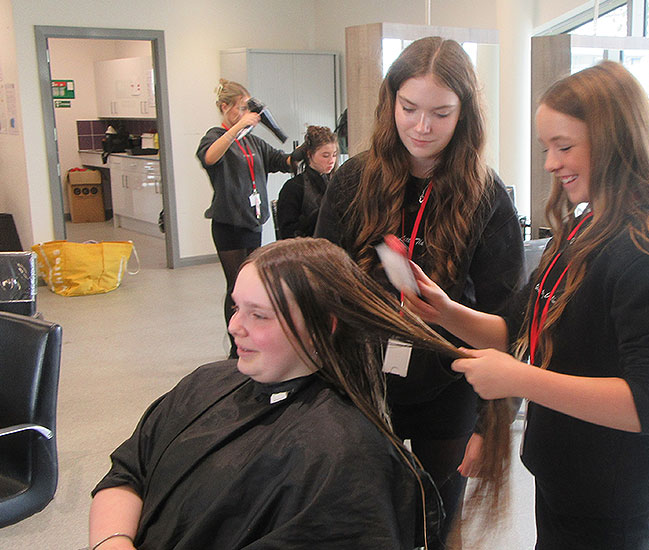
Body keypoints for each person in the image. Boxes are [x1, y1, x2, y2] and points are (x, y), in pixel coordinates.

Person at [404, 61, 649, 549]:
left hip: (610, 496)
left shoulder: (647, 253)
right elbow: (518, 328)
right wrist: (446, 312)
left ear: (613, 142)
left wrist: (519, 379)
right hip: (565, 476)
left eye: (563, 147)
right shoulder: (583, 229)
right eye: (547, 148)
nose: (550, 163)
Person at [88, 237, 468, 550]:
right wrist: (112, 542)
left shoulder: (345, 455)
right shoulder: (205, 382)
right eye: (237, 307)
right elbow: (127, 473)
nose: (234, 326)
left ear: (324, 326)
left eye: (259, 315)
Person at [315, 36, 524, 543]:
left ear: (464, 113)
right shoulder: (353, 180)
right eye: (409, 108)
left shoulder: (488, 197)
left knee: (438, 520)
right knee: (363, 519)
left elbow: (510, 328)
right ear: (390, 101)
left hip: (449, 387)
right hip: (361, 381)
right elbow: (318, 284)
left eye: (441, 113)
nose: (422, 127)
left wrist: (488, 428)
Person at [196, 78, 302, 358]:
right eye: (241, 107)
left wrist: (300, 154)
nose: (247, 113)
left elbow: (282, 161)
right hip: (228, 223)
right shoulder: (215, 137)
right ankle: (235, 348)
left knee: (249, 287)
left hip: (252, 221)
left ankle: (251, 338)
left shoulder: (253, 142)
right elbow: (210, 157)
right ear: (225, 107)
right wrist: (238, 127)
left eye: (247, 108)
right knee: (235, 287)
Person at [276, 125, 337, 239]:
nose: (331, 160)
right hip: (305, 246)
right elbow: (288, 232)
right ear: (309, 154)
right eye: (325, 156)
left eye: (334, 155)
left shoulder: (335, 183)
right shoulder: (293, 187)